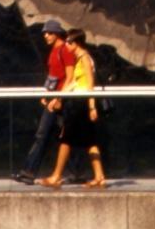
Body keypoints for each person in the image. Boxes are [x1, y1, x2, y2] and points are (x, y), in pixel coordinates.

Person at [38, 28, 107, 188]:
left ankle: (56, 176)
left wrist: (91, 107)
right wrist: (58, 97)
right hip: (77, 101)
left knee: (66, 138)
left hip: (80, 103)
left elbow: (90, 84)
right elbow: (74, 82)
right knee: (90, 140)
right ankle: (99, 176)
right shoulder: (79, 59)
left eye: (69, 42)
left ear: (76, 43)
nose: (66, 45)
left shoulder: (84, 58)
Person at [12, 18, 75, 185]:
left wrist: (59, 98)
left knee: (46, 135)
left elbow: (70, 78)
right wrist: (46, 94)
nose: (46, 36)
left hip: (60, 102)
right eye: (45, 33)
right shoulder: (54, 52)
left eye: (49, 33)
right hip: (53, 100)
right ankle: (73, 172)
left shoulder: (65, 51)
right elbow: (52, 77)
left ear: (57, 34)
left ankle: (29, 171)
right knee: (60, 137)